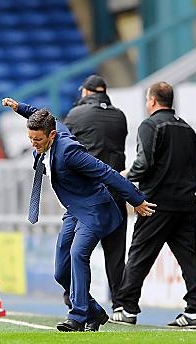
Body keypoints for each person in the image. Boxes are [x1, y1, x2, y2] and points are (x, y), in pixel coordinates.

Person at [2, 98, 156, 332]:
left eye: (38, 140)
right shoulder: (50, 128)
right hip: (74, 212)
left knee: (78, 254)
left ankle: (78, 317)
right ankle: (94, 313)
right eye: (30, 139)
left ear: (52, 136)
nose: (34, 144)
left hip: (95, 209)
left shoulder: (70, 152)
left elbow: (106, 172)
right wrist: (19, 108)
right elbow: (40, 113)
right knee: (60, 271)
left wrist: (135, 199)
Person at [111, 82, 196, 329]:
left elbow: (145, 162)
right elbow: (195, 166)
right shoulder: (188, 129)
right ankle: (193, 311)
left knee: (140, 254)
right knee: (188, 259)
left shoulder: (150, 125)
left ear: (152, 101)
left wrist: (124, 177)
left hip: (156, 203)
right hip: (185, 203)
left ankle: (127, 307)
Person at [63, 74, 129, 311]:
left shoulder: (76, 115)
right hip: (116, 192)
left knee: (76, 252)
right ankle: (120, 304)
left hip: (87, 195)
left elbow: (62, 148)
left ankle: (76, 300)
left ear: (87, 92)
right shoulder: (119, 116)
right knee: (116, 253)